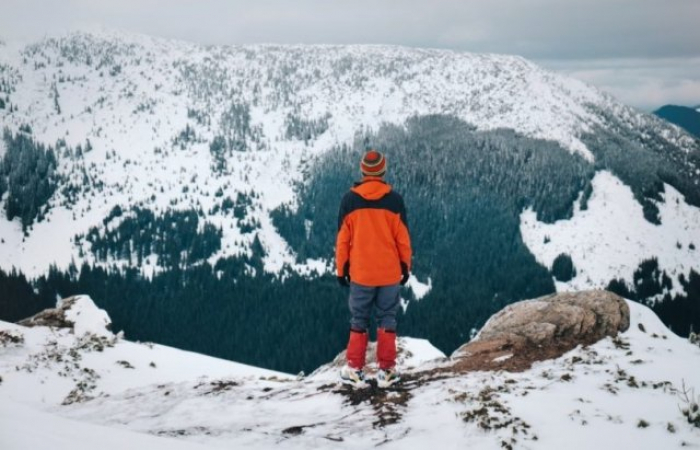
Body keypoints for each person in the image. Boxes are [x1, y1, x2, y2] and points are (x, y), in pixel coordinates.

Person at [335, 149, 412, 387]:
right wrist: (405, 266)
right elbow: (403, 239)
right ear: (383, 171)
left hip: (361, 273)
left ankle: (355, 370)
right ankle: (387, 371)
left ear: (363, 171)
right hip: (389, 273)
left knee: (359, 319)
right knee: (387, 318)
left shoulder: (349, 200)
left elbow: (343, 240)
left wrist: (341, 269)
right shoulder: (395, 200)